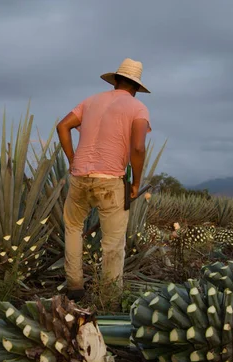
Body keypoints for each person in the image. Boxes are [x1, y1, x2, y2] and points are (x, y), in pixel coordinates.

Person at [56, 58, 152, 301]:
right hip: (110, 179)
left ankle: (75, 287)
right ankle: (109, 298)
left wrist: (72, 160)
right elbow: (138, 148)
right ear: (136, 88)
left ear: (116, 80)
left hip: (80, 176)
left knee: (74, 228)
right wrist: (136, 183)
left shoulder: (91, 101)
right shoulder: (137, 108)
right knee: (112, 241)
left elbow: (62, 126)